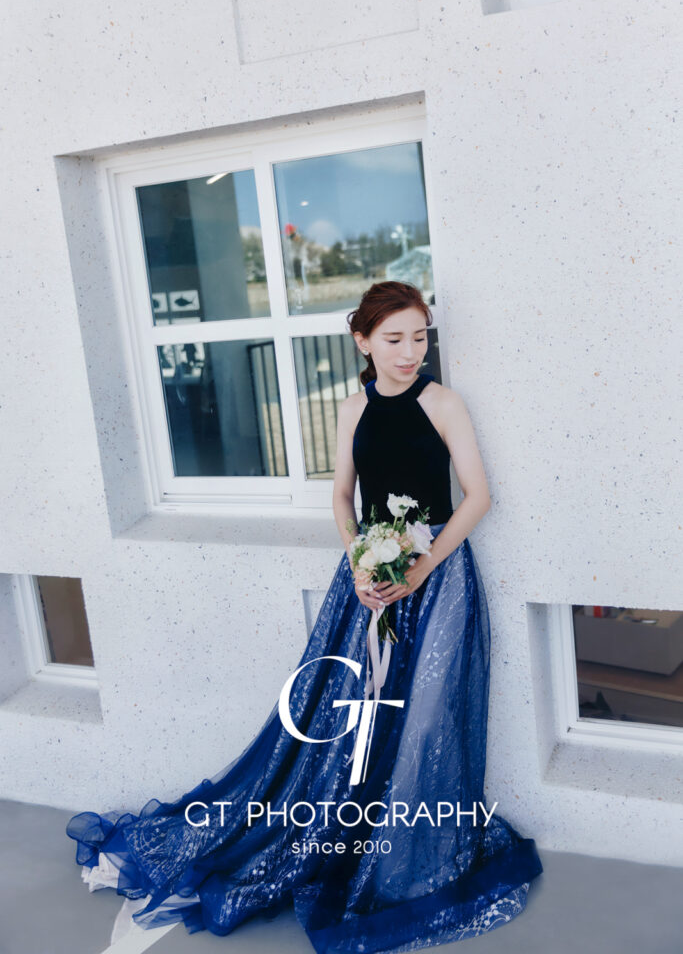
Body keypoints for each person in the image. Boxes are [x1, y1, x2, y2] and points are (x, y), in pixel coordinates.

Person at [66, 280, 543, 952]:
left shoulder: (443, 402)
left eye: (419, 336)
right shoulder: (353, 408)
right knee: (347, 713)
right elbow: (343, 495)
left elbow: (478, 497)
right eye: (394, 338)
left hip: (439, 578)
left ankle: (410, 854)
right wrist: (359, 560)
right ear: (363, 341)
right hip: (367, 578)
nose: (410, 351)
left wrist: (420, 568)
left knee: (428, 716)